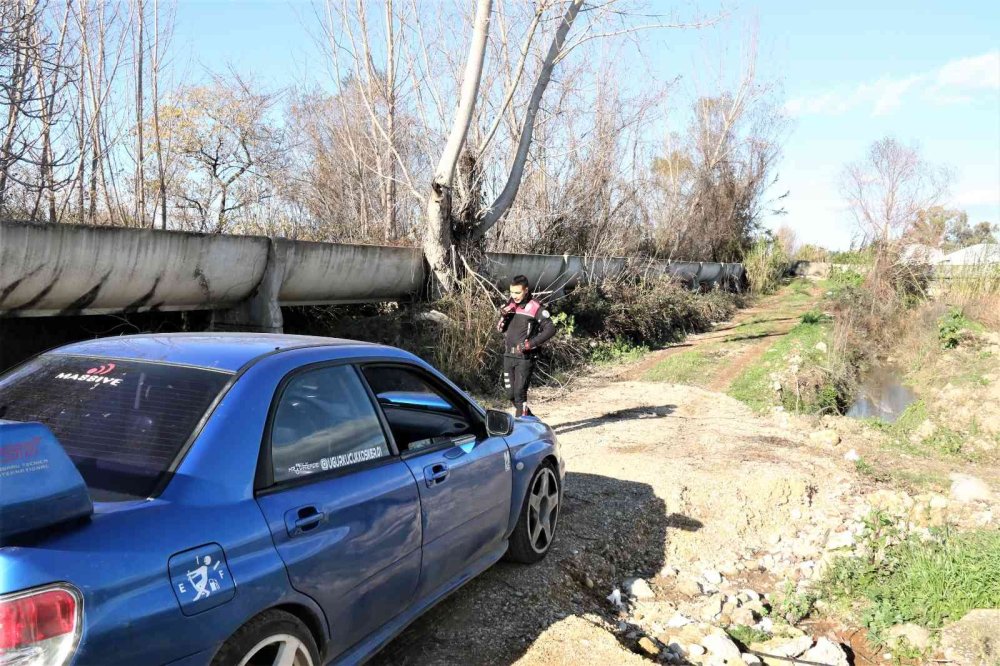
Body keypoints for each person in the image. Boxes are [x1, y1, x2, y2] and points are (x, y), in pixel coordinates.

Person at [496, 275, 556, 417]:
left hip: (525, 358)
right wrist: (504, 316)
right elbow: (500, 329)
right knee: (511, 395)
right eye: (511, 292)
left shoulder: (535, 307)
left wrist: (530, 344)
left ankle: (520, 429)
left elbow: (551, 329)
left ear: (526, 290)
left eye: (517, 292)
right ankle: (532, 421)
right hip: (508, 356)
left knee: (519, 395)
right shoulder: (510, 304)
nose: (514, 296)